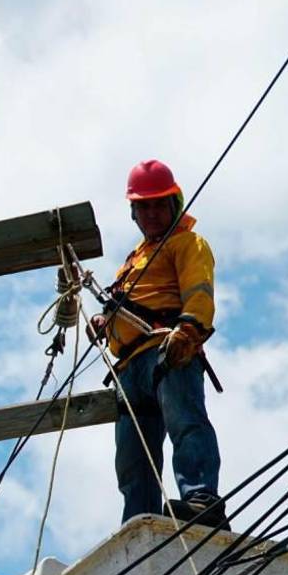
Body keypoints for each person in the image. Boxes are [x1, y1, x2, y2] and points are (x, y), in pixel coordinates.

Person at [88, 159, 225, 526]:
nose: (151, 213)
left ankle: (201, 500)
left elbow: (199, 290)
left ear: (173, 204)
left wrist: (190, 330)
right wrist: (106, 323)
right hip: (130, 367)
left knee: (186, 422)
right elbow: (136, 304)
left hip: (168, 349)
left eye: (158, 204)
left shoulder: (186, 243)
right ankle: (140, 522)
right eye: (143, 206)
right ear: (133, 212)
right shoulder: (134, 261)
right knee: (134, 459)